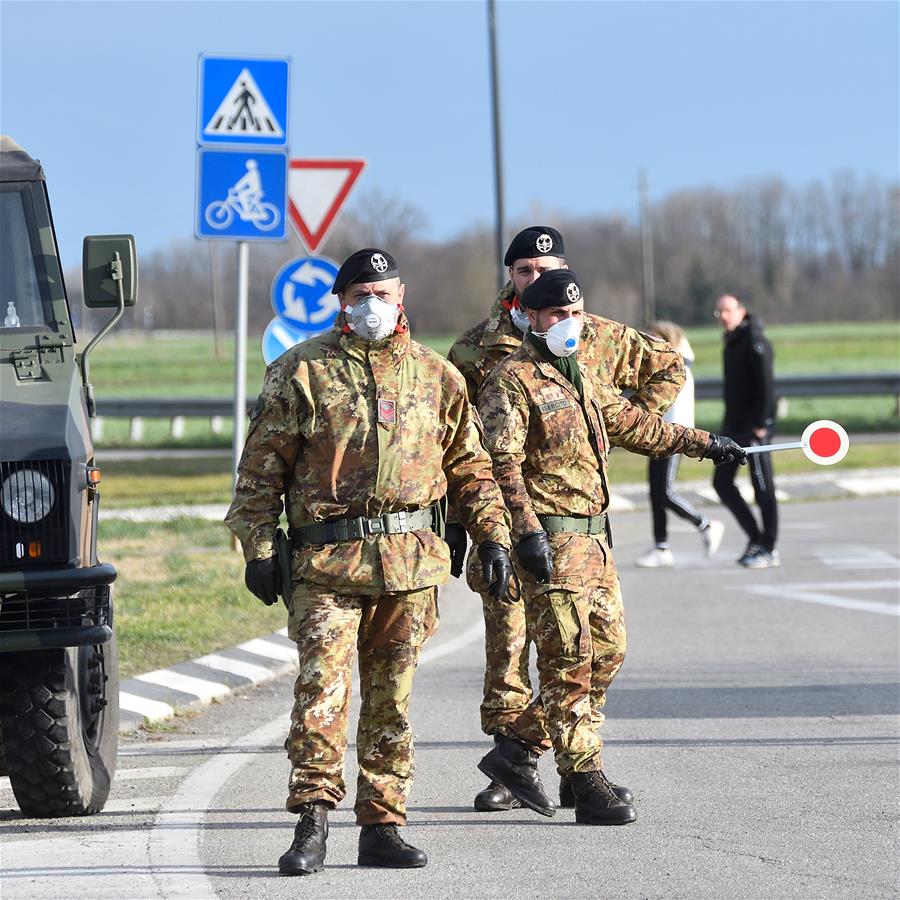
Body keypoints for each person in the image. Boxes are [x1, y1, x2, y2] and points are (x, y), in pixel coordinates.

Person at [225, 248, 513, 875]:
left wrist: (491, 534)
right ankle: (312, 821)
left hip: (409, 565)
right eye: (360, 293)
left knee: (392, 701)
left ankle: (383, 824)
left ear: (402, 295)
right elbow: (259, 471)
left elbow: (470, 468)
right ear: (341, 301)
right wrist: (260, 547)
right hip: (325, 563)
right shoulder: (301, 372)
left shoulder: (438, 377)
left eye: (383, 293)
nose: (372, 304)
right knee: (323, 693)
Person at [476, 269, 746, 825]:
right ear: (530, 318)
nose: (567, 323)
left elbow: (637, 424)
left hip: (596, 541)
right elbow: (498, 465)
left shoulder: (583, 377)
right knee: (568, 661)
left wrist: (708, 444)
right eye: (555, 314)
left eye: (575, 313)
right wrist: (523, 532)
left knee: (609, 652)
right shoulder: (511, 381)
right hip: (551, 539)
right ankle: (585, 777)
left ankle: (519, 748)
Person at [447, 226, 690, 814]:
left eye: (547, 267)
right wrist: (462, 521)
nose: (537, 278)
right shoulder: (478, 349)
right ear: (511, 278)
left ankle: (550, 758)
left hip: (578, 522)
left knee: (587, 650)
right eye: (525, 270)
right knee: (510, 646)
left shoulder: (594, 334)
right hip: (506, 522)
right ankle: (522, 769)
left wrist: (600, 434)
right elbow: (460, 443)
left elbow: (665, 372)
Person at [635, 320, 725, 567]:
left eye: (653, 336)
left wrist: (675, 439)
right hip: (657, 435)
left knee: (664, 491)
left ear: (668, 338)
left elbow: (674, 408)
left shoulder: (677, 366)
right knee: (655, 492)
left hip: (672, 437)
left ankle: (705, 525)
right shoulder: (667, 363)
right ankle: (661, 547)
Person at [712, 294, 779, 568]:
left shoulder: (755, 341)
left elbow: (766, 386)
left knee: (762, 487)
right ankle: (755, 537)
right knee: (722, 483)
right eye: (719, 313)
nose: (723, 316)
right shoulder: (730, 343)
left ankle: (769, 548)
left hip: (755, 428)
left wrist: (762, 423)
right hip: (734, 427)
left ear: (741, 311)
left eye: (727, 310)